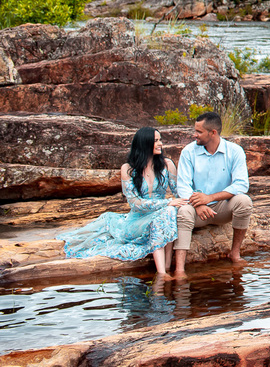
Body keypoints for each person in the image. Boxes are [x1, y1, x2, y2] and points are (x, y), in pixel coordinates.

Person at [57, 127, 187, 275]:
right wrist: (166, 202)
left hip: (162, 215)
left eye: (160, 140)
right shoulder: (128, 168)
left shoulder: (167, 164)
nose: (160, 144)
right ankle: (162, 274)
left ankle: (167, 267)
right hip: (137, 221)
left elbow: (178, 192)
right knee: (166, 210)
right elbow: (135, 203)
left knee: (168, 212)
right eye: (156, 141)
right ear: (144, 143)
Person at [173, 111, 252, 276]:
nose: (194, 135)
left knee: (244, 201)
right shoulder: (188, 152)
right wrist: (199, 204)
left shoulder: (235, 151)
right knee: (184, 212)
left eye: (199, 132)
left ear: (213, 133)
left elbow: (241, 184)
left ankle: (235, 253)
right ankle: (179, 269)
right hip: (196, 209)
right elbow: (183, 186)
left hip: (221, 208)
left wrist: (210, 198)